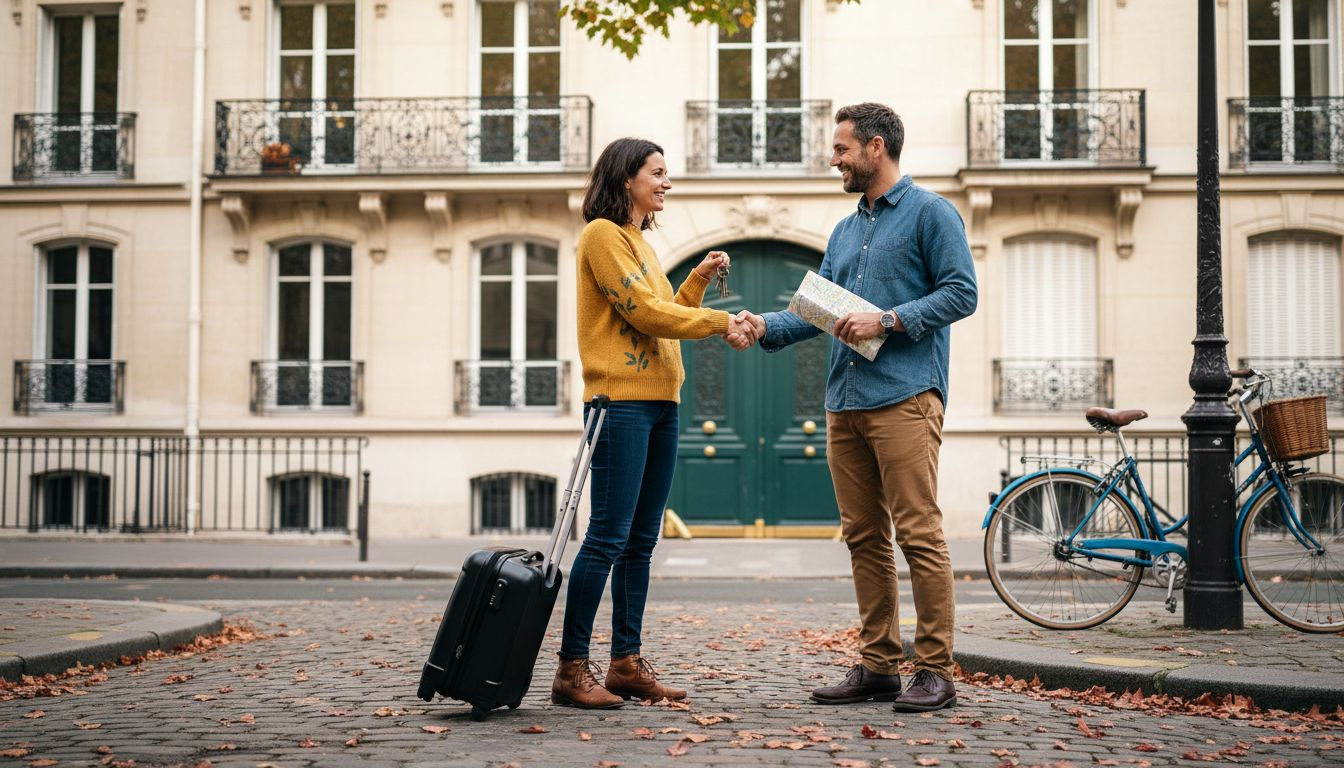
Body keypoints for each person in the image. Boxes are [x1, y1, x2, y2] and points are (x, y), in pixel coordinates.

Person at [729, 103, 977, 713]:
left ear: (874, 147)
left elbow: (962, 292)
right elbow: (815, 311)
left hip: (905, 395)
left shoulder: (931, 213)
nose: (833, 159)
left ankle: (936, 669)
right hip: (844, 401)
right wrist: (763, 325)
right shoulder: (844, 231)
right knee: (864, 536)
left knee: (919, 533)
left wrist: (889, 318)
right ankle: (878, 665)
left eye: (841, 149)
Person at [551, 137, 757, 709]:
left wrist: (698, 276)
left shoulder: (638, 242)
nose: (667, 183)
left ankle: (625, 662)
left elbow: (664, 313)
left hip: (660, 402)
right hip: (619, 403)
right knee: (607, 537)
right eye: (658, 173)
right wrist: (721, 321)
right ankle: (571, 668)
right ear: (626, 179)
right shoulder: (602, 236)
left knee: (642, 541)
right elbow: (642, 312)